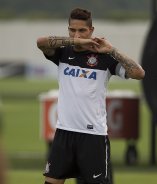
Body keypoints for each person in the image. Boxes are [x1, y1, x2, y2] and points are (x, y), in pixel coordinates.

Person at [36, 7, 145, 184]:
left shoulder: (104, 57)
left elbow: (139, 73)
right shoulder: (63, 52)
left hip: (93, 136)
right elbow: (40, 42)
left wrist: (111, 50)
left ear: (91, 30)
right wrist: (74, 41)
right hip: (64, 132)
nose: (77, 35)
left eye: (82, 30)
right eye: (72, 30)